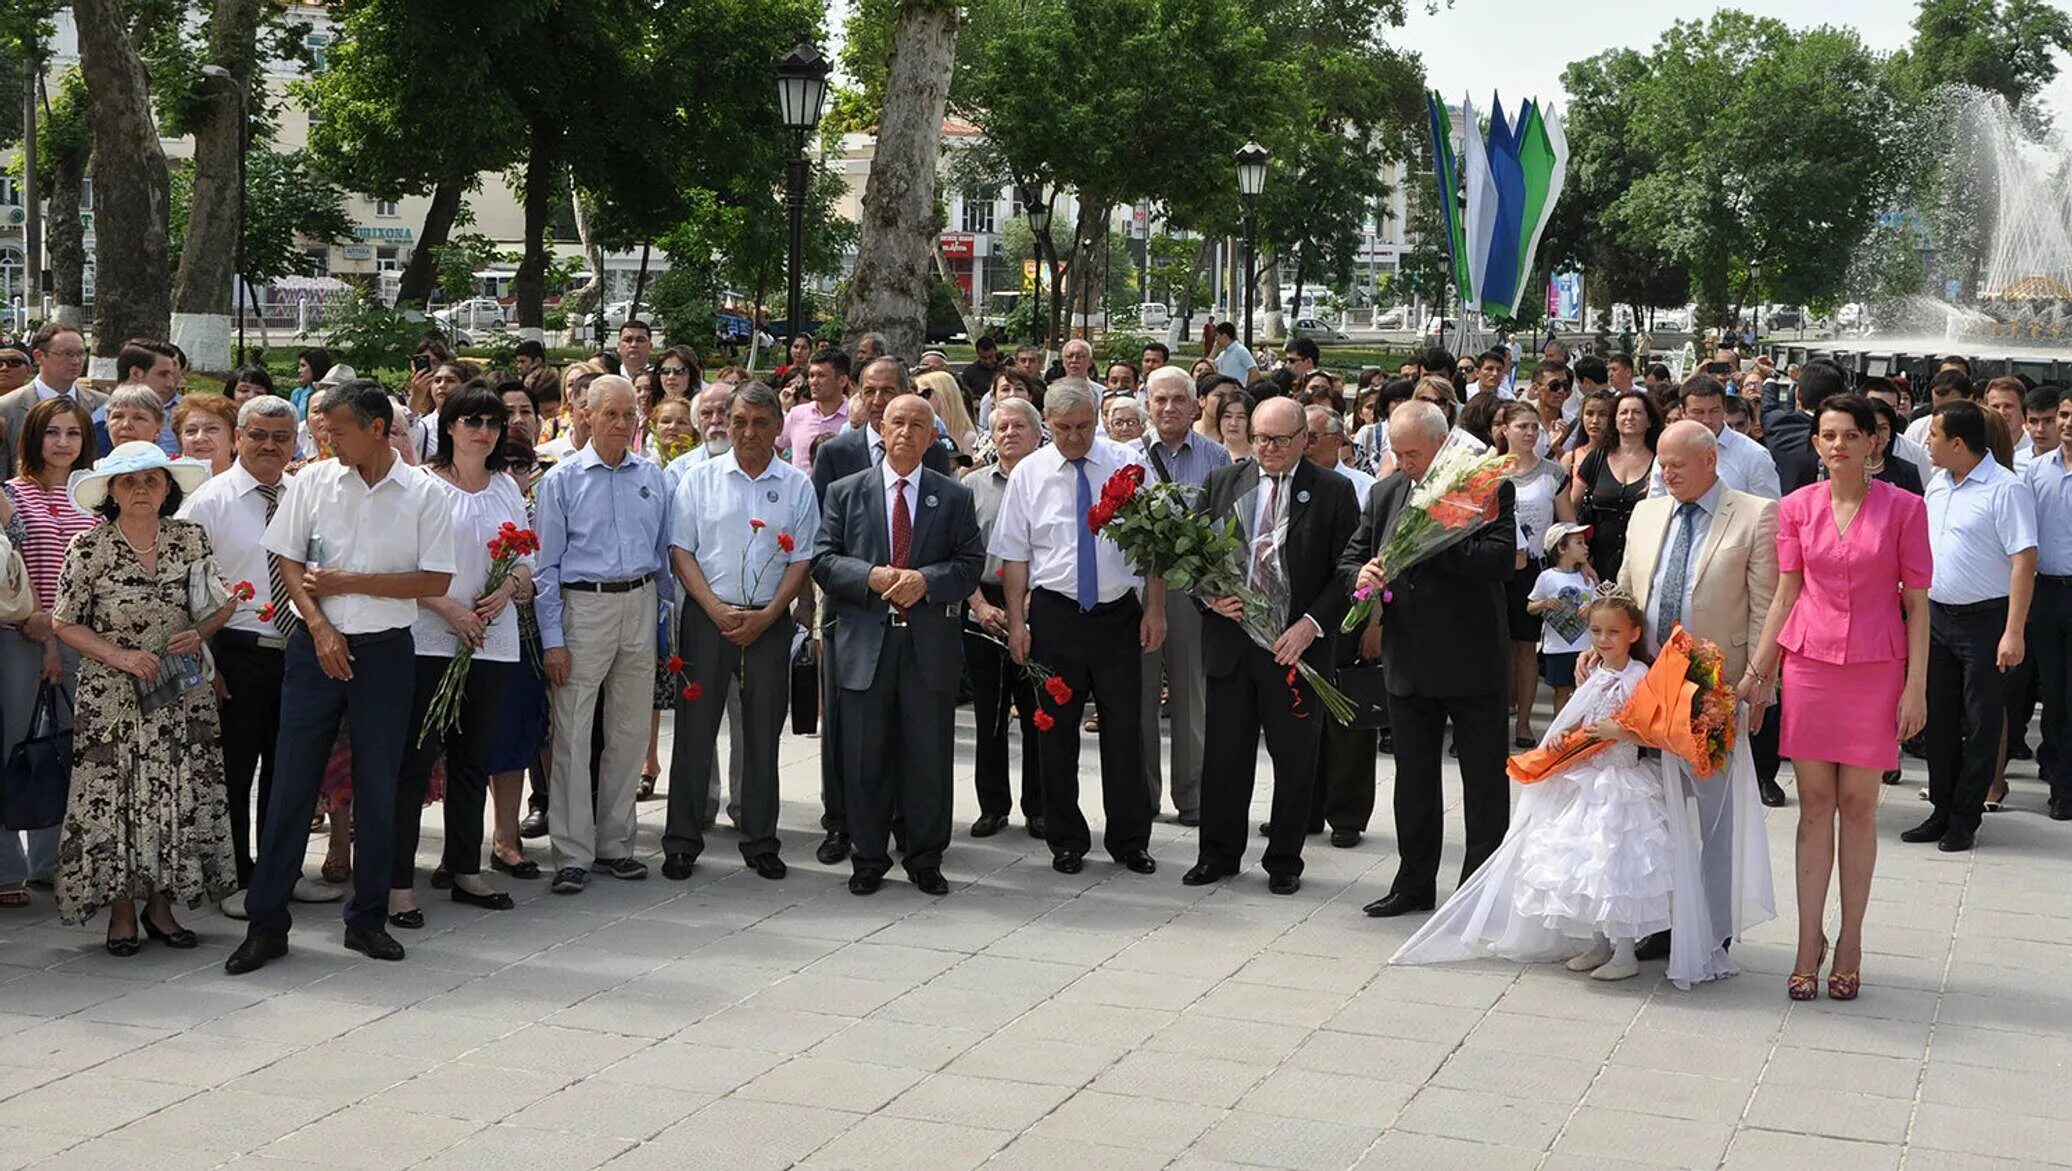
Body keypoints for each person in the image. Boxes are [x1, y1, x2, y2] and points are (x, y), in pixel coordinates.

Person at [227, 379, 458, 974]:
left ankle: (368, 920)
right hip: (313, 647)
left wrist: (352, 582)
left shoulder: (424, 494)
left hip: (385, 653)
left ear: (377, 429)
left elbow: (434, 582)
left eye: (337, 429)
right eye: (322, 430)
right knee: (290, 787)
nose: (325, 440)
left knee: (378, 786)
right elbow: (287, 558)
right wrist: (321, 627)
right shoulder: (313, 482)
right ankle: (267, 923)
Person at [1745, 395, 1931, 1001]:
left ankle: (1850, 940)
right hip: (1810, 665)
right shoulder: (1796, 507)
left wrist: (1916, 687)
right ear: (1816, 442)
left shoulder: (1905, 508)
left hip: (1879, 667)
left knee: (1859, 806)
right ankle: (1807, 942)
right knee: (1814, 806)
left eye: (1851, 435)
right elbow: (1784, 594)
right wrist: (1758, 671)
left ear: (1874, 441)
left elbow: (1917, 604)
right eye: (1828, 435)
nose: (1839, 446)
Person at [1393, 593, 1677, 982]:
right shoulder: (1596, 675)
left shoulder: (1637, 677)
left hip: (1619, 781)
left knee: (1614, 863)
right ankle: (1599, 942)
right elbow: (1580, 717)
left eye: (1613, 631)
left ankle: (1625, 949)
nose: (1603, 639)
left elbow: (1651, 729)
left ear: (1633, 633)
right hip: (1586, 777)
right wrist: (1563, 739)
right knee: (1584, 865)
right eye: (1596, 631)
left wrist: (1619, 731)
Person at [50, 443, 236, 951]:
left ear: (168, 489)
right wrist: (121, 655)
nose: (141, 489)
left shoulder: (190, 538)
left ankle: (162, 907)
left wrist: (198, 634)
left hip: (179, 690)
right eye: (129, 481)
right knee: (117, 796)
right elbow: (64, 622)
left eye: (152, 480)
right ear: (110, 490)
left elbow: (220, 606)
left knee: (175, 790)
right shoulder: (89, 548)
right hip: (112, 695)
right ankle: (122, 913)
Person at [1611, 420, 1778, 978]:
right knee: (1652, 809)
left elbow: (1765, 608)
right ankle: (1660, 918)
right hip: (1648, 682)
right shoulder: (1647, 512)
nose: (1666, 471)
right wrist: (1604, 651)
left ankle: (1711, 925)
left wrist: (1758, 680)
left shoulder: (1754, 515)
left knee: (1711, 816)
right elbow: (1627, 592)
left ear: (1711, 461)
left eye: (1678, 463)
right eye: (1661, 461)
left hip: (1715, 688)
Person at [1343, 402, 1516, 918]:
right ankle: (1413, 881)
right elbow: (1353, 554)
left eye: (1412, 453)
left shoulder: (1486, 488)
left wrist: (1430, 542)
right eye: (1396, 453)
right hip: (1409, 659)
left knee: (1484, 784)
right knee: (1413, 780)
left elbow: (1499, 560)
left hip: (1471, 659)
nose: (1403, 462)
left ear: (1443, 447)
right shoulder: (1386, 491)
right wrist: (1362, 575)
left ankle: (1478, 890)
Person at [1184, 398, 1359, 894]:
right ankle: (1218, 854)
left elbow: (1346, 570)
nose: (1270, 449)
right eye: (1261, 438)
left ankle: (1284, 860)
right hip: (1232, 643)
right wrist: (1210, 597)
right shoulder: (1224, 482)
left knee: (1295, 757)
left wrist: (1310, 624)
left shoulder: (1332, 491)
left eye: (1281, 440)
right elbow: (1193, 556)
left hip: (1293, 649)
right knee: (1224, 755)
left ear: (1305, 438)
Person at [991, 380, 1164, 875]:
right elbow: (1016, 556)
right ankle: (1066, 839)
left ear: (1097, 418)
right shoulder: (1030, 473)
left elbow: (1154, 543)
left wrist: (1156, 609)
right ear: (1047, 423)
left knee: (1124, 729)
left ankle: (1130, 839)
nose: (1074, 437)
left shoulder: (1128, 465)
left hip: (1117, 614)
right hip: (1056, 614)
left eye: (1084, 427)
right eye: (1064, 429)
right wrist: (1019, 625)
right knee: (1056, 730)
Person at [812, 393, 983, 895]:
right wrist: (871, 575)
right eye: (897, 423)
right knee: (865, 757)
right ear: (879, 429)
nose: (906, 432)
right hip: (866, 644)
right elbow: (823, 559)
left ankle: (926, 858)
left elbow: (970, 564)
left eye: (918, 425)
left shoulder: (953, 496)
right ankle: (867, 857)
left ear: (934, 436)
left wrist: (925, 581)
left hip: (927, 645)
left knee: (928, 756)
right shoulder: (846, 491)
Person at [389, 384, 533, 929]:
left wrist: (510, 589)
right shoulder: (422, 486)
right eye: (471, 420)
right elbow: (398, 567)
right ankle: (399, 883)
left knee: (474, 759)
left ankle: (464, 867)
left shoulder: (504, 489)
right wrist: (449, 608)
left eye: (493, 422)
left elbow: (525, 559)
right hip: (431, 636)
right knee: (416, 760)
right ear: (448, 425)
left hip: (491, 641)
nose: (484, 431)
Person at [666, 383, 817, 881]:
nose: (748, 433)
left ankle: (760, 839)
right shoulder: (698, 480)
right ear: (724, 424)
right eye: (738, 422)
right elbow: (681, 551)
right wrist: (713, 607)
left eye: (759, 423)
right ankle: (683, 841)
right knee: (695, 733)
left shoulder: (796, 486)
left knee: (760, 735)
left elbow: (801, 559)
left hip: (767, 623)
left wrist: (771, 613)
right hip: (708, 621)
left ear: (777, 428)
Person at [532, 376, 670, 895]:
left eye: (629, 413)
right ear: (586, 416)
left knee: (630, 730)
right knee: (571, 731)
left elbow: (662, 557)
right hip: (582, 605)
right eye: (610, 413)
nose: (621, 423)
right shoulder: (561, 481)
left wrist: (663, 628)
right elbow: (545, 567)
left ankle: (616, 842)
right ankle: (571, 852)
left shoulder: (652, 477)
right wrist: (552, 640)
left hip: (639, 600)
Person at [175, 396, 313, 906]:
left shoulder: (306, 494)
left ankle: (283, 872)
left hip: (299, 650)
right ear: (238, 436)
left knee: (291, 769)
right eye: (259, 435)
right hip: (236, 652)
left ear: (295, 441)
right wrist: (206, 663)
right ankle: (233, 875)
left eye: (282, 437)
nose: (270, 446)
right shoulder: (209, 502)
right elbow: (185, 589)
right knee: (234, 770)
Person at [1903, 400, 2036, 854]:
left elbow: (2024, 561)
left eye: (1935, 436)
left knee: (1980, 724)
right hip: (1937, 618)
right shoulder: (1939, 483)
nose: (1928, 443)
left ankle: (1966, 816)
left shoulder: (2005, 489)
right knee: (1937, 720)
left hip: (1986, 621)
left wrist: (2013, 631)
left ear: (1958, 443)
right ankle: (1941, 808)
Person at [0, 396, 99, 909]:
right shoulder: (11, 496)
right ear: (32, 438)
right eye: (52, 432)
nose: (62, 443)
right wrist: (39, 627)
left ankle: (51, 857)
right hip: (20, 636)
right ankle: (5, 865)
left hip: (83, 639)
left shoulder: (95, 499)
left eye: (73, 433)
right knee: (14, 745)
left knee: (64, 746)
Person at [964, 398, 1045, 838]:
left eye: (1019, 426)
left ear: (1037, 434)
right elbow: (960, 556)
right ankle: (992, 806)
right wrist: (978, 605)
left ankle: (1039, 806)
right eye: (1001, 428)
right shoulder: (971, 486)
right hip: (985, 602)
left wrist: (1035, 598)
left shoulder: (1051, 480)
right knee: (989, 712)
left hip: (1039, 599)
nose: (1009, 434)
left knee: (1038, 711)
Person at [1496, 401, 1575, 746]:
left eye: (1534, 427)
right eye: (1521, 427)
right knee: (1494, 648)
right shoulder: (1490, 470)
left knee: (1526, 648)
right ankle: (1494, 716)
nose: (1529, 433)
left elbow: (1567, 522)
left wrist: (1576, 561)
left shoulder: (1552, 473)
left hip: (1533, 568)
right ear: (1505, 430)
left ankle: (1524, 721)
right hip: (1496, 568)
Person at [2028, 388, 2072, 821]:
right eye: (2063, 414)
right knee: (2054, 692)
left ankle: (2066, 783)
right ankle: (2057, 773)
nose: (2066, 423)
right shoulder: (2035, 472)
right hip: (2045, 593)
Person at [1572, 390, 1660, 581]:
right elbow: (1573, 507)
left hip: (1646, 563)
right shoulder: (1596, 458)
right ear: (1615, 419)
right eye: (1623, 412)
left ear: (1649, 421)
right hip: (1597, 564)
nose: (1630, 417)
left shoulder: (1660, 462)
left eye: (1637, 412)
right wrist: (1580, 558)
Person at [1652, 377, 1780, 501]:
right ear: (1683, 412)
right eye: (1698, 412)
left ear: (1723, 409)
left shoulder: (1754, 456)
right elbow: (1655, 507)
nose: (1707, 420)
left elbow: (1767, 514)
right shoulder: (1667, 453)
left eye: (1714, 411)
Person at [1527, 522, 1597, 719]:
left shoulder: (1587, 579)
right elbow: (1530, 607)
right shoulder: (1547, 578)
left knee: (1584, 691)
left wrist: (1591, 609)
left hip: (1584, 646)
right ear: (1561, 548)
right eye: (1579, 543)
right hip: (1557, 648)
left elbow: (1599, 607)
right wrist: (1544, 604)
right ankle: (1560, 730)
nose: (1586, 547)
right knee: (1561, 691)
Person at [782, 347, 853, 473]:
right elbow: (774, 445)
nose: (813, 382)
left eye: (821, 375)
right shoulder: (797, 414)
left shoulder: (854, 418)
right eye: (811, 376)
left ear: (842, 381)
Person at [174, 394, 239, 477]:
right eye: (191, 430)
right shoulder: (166, 485)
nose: (199, 438)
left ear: (234, 440)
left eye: (211, 429)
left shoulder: (252, 485)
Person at [288, 347, 332, 419]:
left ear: (315, 367)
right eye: (299, 366)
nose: (299, 370)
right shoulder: (298, 394)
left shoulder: (332, 393)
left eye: (303, 366)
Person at [960, 334, 1002, 408]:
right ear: (978, 355)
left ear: (995, 352)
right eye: (984, 358)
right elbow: (965, 394)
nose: (988, 361)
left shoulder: (1004, 368)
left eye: (991, 356)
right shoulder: (970, 372)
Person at [1216, 387, 1255, 460]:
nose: (1233, 423)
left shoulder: (1259, 457)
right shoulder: (1208, 454)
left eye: (1240, 417)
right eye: (1227, 416)